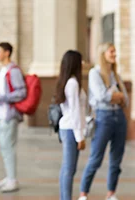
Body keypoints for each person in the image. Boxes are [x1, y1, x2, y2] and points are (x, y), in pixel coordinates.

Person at [78, 43, 128, 200]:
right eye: (111, 51)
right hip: (103, 118)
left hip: (119, 118)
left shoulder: (116, 75)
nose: (114, 54)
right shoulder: (95, 73)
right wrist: (116, 96)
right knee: (96, 158)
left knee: (116, 159)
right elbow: (101, 97)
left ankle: (111, 193)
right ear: (103, 54)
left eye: (115, 51)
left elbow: (125, 99)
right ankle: (83, 193)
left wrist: (116, 97)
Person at [0, 42, 26, 192]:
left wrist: (1, 98)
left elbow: (20, 93)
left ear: (7, 53)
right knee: (4, 147)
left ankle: (12, 179)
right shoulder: (2, 70)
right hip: (0, 114)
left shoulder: (13, 71)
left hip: (9, 115)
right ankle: (8, 176)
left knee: (8, 147)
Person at [55, 50, 86, 200]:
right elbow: (75, 111)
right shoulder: (72, 83)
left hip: (68, 128)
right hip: (71, 129)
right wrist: (80, 136)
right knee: (69, 168)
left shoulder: (67, 81)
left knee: (68, 168)